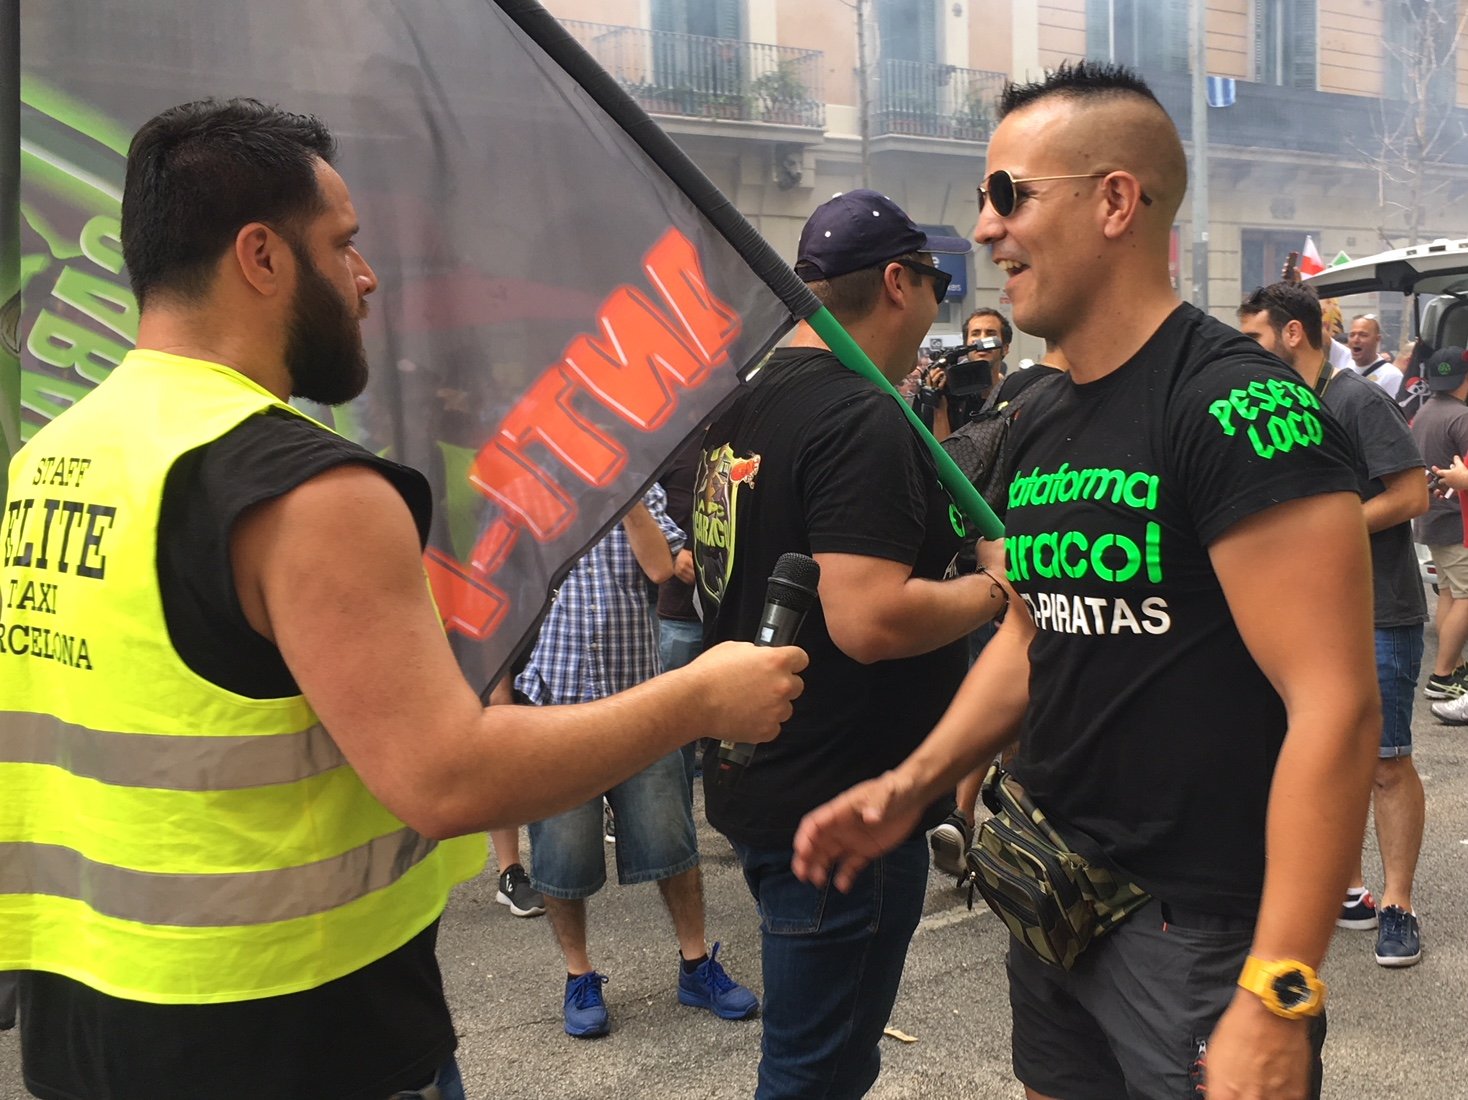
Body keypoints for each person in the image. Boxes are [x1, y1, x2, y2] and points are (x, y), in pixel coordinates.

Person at [0, 97, 806, 1099]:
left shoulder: (48, 456)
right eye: (343, 242)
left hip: (90, 1025)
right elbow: (446, 776)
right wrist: (699, 697)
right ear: (261, 256)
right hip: (298, 1029)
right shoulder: (306, 488)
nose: (366, 276)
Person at [792, 62, 1377, 1100]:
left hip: (1201, 936)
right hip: (1054, 897)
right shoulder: (1038, 414)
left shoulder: (1238, 408)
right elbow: (1030, 633)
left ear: (1115, 200)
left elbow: (1334, 703)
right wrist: (911, 782)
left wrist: (1279, 983)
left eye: (1008, 193)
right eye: (984, 199)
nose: (981, 228)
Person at [691, 188, 1008, 1099]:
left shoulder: (744, 403)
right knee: (815, 1073)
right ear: (900, 283)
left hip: (768, 777)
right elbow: (867, 620)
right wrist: (993, 593)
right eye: (938, 288)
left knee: (821, 1060)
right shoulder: (859, 417)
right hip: (845, 803)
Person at [516, 488, 757, 1037]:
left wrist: (623, 498)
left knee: (672, 842)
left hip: (640, 701)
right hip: (558, 702)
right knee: (561, 853)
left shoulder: (638, 483)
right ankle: (578, 974)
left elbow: (660, 568)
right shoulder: (529, 490)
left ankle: (696, 965)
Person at [1238, 283, 1429, 969]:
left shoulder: (1356, 398)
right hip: (1309, 618)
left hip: (1380, 611)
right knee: (1325, 757)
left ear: (1295, 333)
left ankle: (1399, 904)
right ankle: (1349, 892)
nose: (1246, 354)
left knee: (1385, 761)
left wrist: (1323, 527)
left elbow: (1409, 494)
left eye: (1256, 339)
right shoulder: (1290, 406)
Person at [1407, 345, 1468, 699]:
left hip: (1431, 519)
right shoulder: (1461, 417)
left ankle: (1454, 667)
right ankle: (1443, 675)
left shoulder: (1426, 411)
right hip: (1457, 521)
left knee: (1448, 593)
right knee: (1465, 597)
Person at [1348, 313, 1404, 396]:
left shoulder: (1392, 375)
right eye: (1352, 335)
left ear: (1377, 339)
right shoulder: (1345, 369)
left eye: (1363, 335)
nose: (1355, 340)